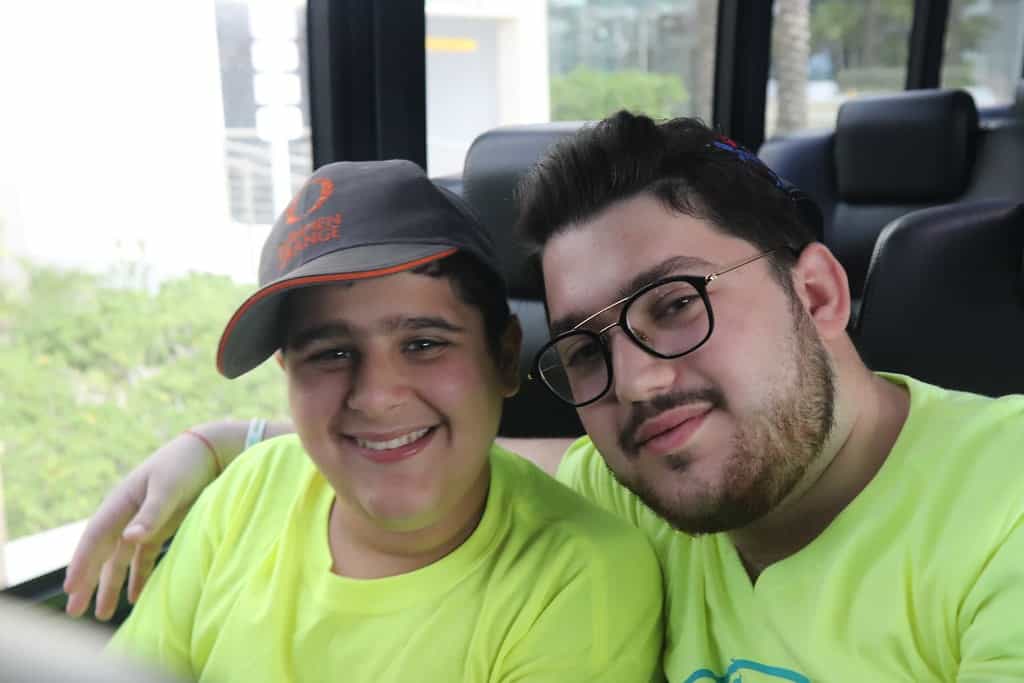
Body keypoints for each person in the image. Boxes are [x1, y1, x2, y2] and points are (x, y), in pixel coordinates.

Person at [67, 113, 1024, 681]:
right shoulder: (646, 482)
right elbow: (443, 448)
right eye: (587, 348)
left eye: (675, 304)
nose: (638, 382)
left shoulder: (1001, 509)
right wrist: (225, 440)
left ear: (816, 294)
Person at [90, 159, 663, 682]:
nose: (375, 397)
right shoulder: (247, 491)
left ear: (504, 358)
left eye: (424, 344)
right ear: (288, 375)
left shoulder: (578, 580)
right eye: (331, 354)